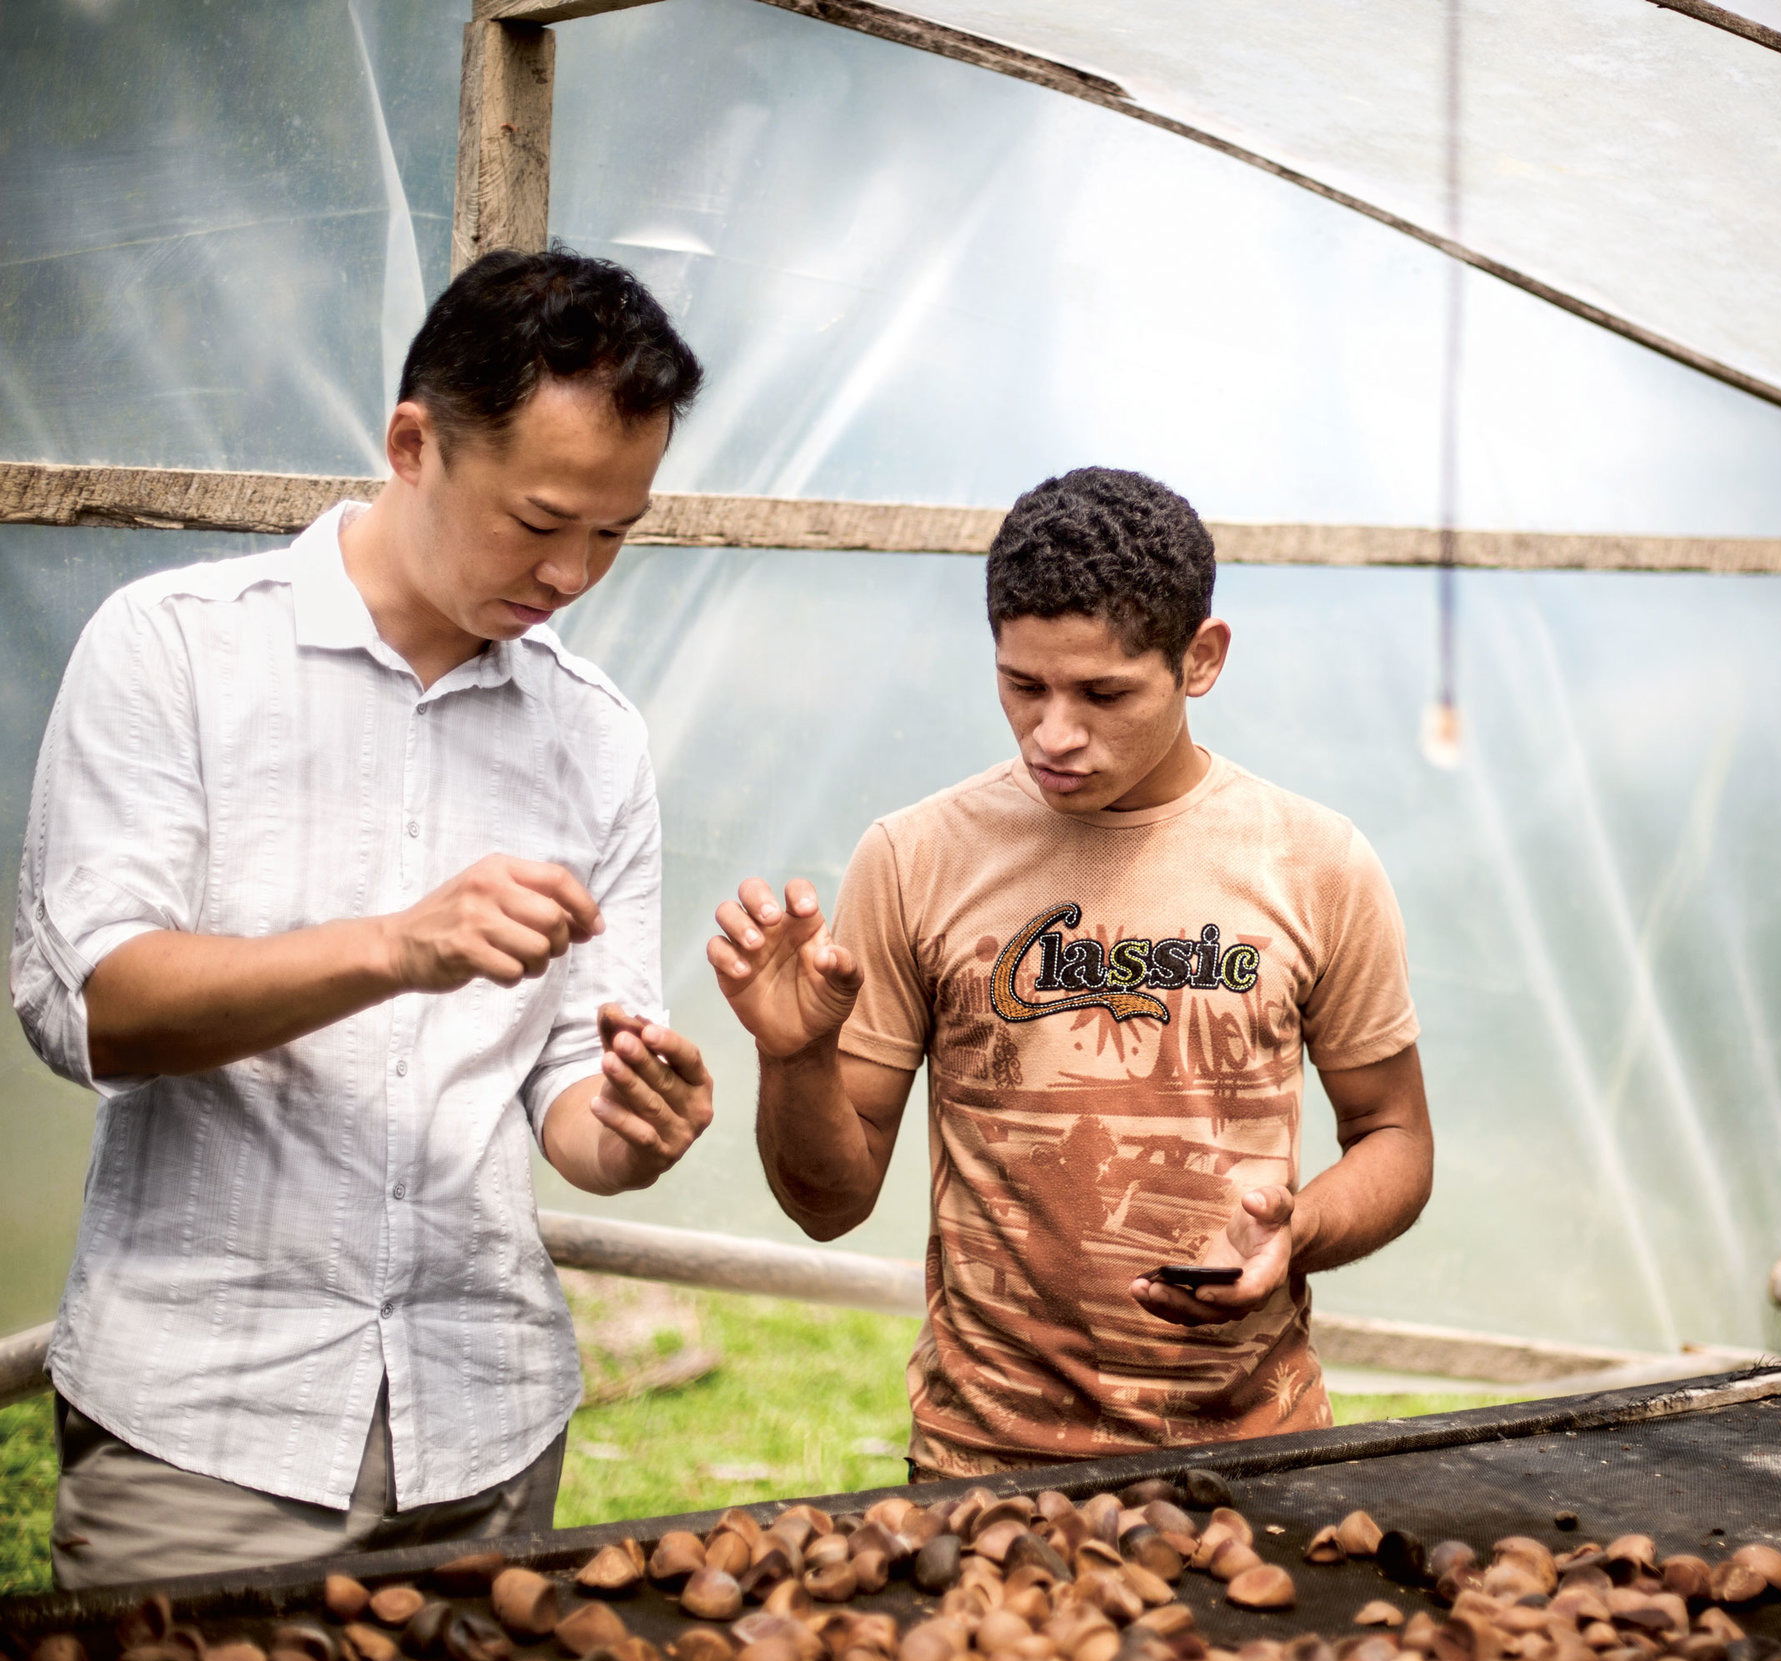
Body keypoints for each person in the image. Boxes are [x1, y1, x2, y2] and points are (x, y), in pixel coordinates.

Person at [11, 249, 716, 1586]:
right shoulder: (175, 649)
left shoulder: (596, 737)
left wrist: (632, 1124)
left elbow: (575, 1086)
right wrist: (394, 945)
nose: (574, 571)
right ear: (413, 442)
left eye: (618, 531)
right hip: (207, 1438)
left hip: (490, 1428)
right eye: (541, 517)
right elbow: (89, 1003)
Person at [711, 466, 1435, 1476]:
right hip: (981, 1468)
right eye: (1023, 685)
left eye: (1103, 692)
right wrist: (794, 1057)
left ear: (1201, 658)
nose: (1054, 733)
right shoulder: (914, 856)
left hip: (1256, 1458)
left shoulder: (1314, 860)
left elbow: (1395, 1135)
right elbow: (826, 1203)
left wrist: (1300, 1229)